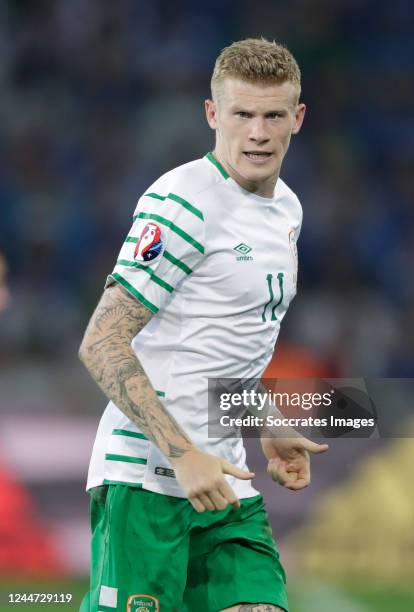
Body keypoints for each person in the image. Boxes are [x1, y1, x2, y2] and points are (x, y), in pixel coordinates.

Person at [79, 38, 329, 612]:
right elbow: (101, 342)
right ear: (213, 114)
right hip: (146, 482)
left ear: (299, 117)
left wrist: (263, 420)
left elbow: (221, 348)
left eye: (273, 115)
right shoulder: (182, 203)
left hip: (226, 483)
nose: (258, 133)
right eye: (242, 114)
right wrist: (182, 453)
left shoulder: (286, 209)